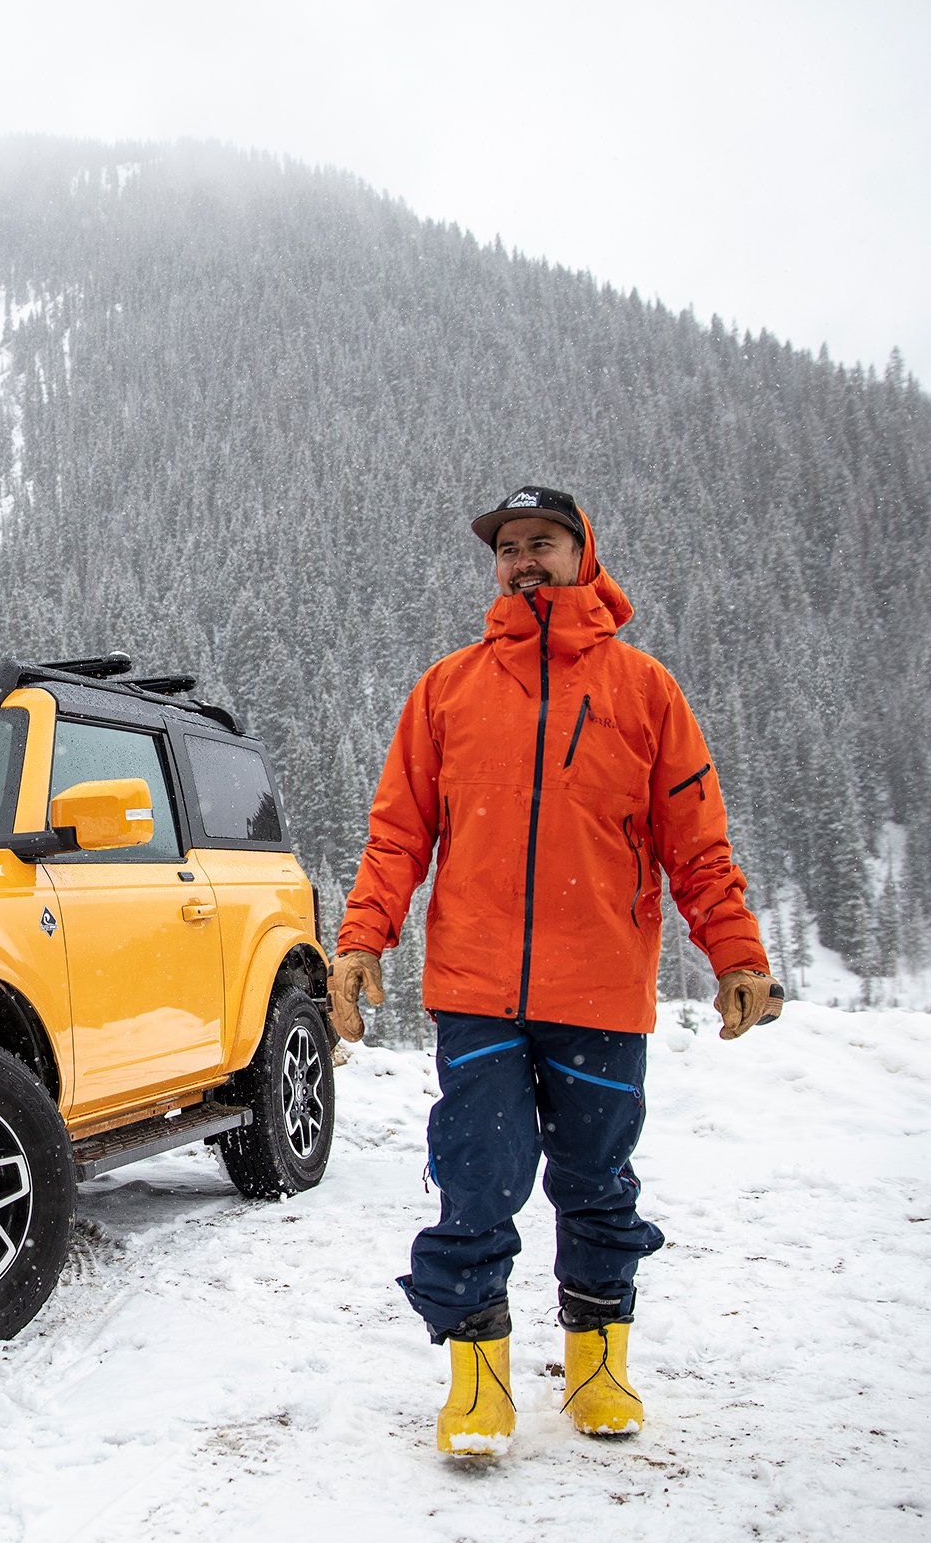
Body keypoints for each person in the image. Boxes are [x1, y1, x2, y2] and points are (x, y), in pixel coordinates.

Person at [328, 484, 781, 1458]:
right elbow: (399, 832)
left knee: (596, 1181)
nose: (523, 560)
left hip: (601, 987)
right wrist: (362, 938)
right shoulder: (447, 689)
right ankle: (479, 1380)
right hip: (475, 987)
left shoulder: (644, 691)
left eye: (541, 542)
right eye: (508, 548)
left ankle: (597, 1365)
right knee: (477, 1178)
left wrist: (736, 952)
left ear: (583, 553)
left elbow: (696, 841)